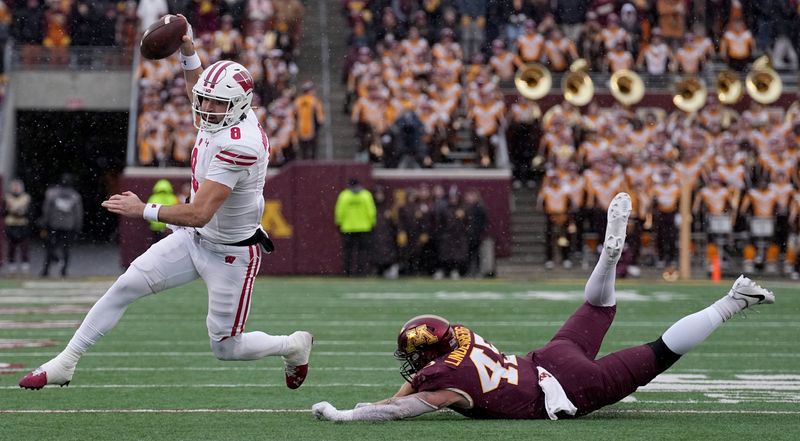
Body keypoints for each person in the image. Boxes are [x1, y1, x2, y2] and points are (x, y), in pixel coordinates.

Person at [19, 21, 313, 390]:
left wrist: (144, 209)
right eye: (205, 100)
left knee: (225, 346)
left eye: (213, 103)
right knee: (125, 286)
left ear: (237, 107)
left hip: (231, 254)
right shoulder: (226, 111)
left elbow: (199, 211)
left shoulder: (241, 145)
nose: (203, 108)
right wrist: (188, 52)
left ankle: (293, 345)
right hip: (194, 239)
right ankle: (65, 361)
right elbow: (199, 89)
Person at [312, 192, 776, 421]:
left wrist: (347, 414)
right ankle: (608, 258)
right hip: (548, 357)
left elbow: (401, 408)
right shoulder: (462, 337)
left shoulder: (444, 381)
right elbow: (414, 387)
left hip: (568, 386)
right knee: (597, 308)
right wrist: (395, 392)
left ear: (428, 353)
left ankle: (734, 300)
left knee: (658, 352)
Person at [39, 173, 83, 277]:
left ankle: (46, 270)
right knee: (66, 249)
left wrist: (45, 223)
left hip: (54, 225)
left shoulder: (52, 194)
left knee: (51, 248)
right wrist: (77, 226)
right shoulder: (74, 196)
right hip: (68, 226)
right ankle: (63, 270)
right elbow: (78, 213)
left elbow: (46, 210)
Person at [334, 178, 376, 276]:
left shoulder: (344, 196)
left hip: (348, 228)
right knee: (362, 251)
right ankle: (361, 272)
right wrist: (372, 223)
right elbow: (371, 211)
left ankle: (347, 272)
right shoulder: (366, 195)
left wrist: (339, 223)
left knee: (348, 251)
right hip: (364, 228)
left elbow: (339, 212)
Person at [4, 179, 32, 274]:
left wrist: (22, 213)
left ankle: (25, 266)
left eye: (17, 187)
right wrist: (10, 210)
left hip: (22, 225)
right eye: (14, 187)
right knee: (11, 247)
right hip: (11, 225)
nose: (16, 189)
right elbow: (3, 212)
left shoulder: (26, 198)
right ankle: (12, 266)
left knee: (24, 247)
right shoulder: (7, 198)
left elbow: (31, 212)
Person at [146, 178, 179, 243]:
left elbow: (147, 212)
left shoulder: (153, 198)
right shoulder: (173, 198)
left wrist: (151, 222)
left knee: (156, 246)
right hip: (169, 228)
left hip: (156, 227)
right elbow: (177, 212)